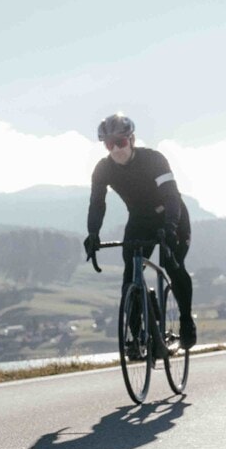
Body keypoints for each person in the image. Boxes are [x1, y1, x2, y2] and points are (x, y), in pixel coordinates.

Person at [83, 113, 195, 350]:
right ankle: (138, 337)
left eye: (120, 142)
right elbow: (97, 203)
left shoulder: (153, 159)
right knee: (130, 276)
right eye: (109, 144)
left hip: (170, 215)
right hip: (140, 220)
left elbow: (171, 196)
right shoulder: (103, 169)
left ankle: (186, 321)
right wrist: (93, 233)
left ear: (131, 140)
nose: (116, 149)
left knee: (172, 264)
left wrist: (170, 227)